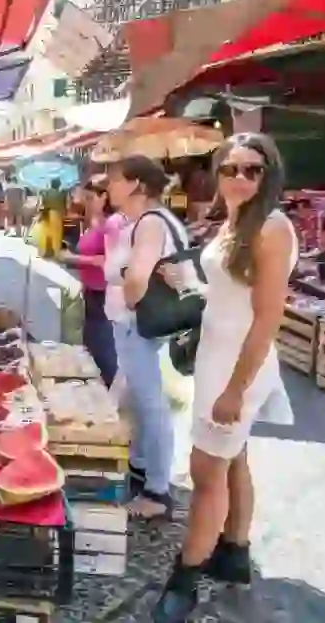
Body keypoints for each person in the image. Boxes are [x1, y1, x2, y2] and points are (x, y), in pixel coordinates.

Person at [152, 133, 296, 621]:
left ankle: (185, 580)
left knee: (206, 474)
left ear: (268, 174)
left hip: (238, 368)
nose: (239, 178)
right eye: (230, 168)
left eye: (252, 169)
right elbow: (228, 291)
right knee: (233, 461)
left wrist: (236, 388)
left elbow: (266, 317)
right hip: (215, 359)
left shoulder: (272, 229)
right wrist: (190, 283)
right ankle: (233, 551)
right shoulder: (237, 221)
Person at [103, 155, 189, 521]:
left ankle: (157, 490)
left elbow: (138, 276)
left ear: (136, 184)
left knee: (151, 404)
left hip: (138, 326)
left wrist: (131, 302)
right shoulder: (149, 221)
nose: (108, 186)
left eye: (114, 179)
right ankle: (141, 469)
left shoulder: (151, 223)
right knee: (140, 401)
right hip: (139, 326)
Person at [57, 178, 122, 386]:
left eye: (90, 198)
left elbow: (104, 261)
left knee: (104, 350)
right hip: (91, 292)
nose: (86, 202)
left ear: (105, 197)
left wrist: (71, 258)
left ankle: (112, 397)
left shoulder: (111, 225)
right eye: (85, 198)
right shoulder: (92, 223)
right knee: (92, 346)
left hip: (103, 294)